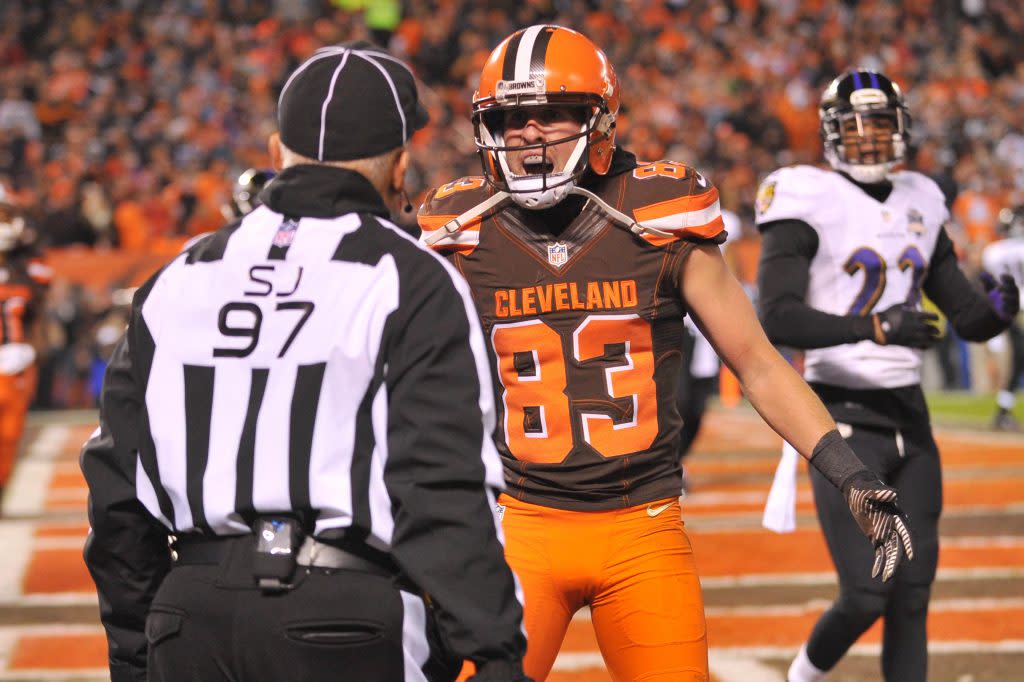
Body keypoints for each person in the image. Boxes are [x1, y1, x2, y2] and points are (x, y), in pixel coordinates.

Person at [419, 27, 914, 681]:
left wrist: (851, 474)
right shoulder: (458, 230)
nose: (529, 134)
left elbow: (759, 363)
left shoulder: (661, 215)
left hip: (642, 525)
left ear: (600, 119)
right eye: (511, 118)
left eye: (553, 114)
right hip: (518, 528)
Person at [81, 42, 529, 682]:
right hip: (342, 614)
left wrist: (136, 646)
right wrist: (493, 651)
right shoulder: (410, 278)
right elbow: (440, 484)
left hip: (190, 615)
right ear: (401, 166)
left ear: (274, 153)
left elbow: (116, 488)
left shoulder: (179, 276)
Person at [755, 69, 1019, 682]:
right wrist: (873, 327)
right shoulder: (804, 196)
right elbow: (778, 316)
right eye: (856, 127)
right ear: (830, 134)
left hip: (909, 416)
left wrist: (1000, 310)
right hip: (839, 415)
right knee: (866, 593)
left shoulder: (922, 197)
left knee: (912, 597)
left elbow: (966, 315)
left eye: (880, 125)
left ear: (901, 130)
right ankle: (801, 677)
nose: (870, 139)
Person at [0, 183, 50, 499]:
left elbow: (39, 308)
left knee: (8, 437)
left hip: (15, 362)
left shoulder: (27, 263)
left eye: (6, 215)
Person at [983, 206, 1024, 430]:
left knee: (1017, 360)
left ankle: (1003, 411)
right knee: (1017, 360)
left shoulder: (992, 251)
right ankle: (1003, 411)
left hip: (1005, 309)